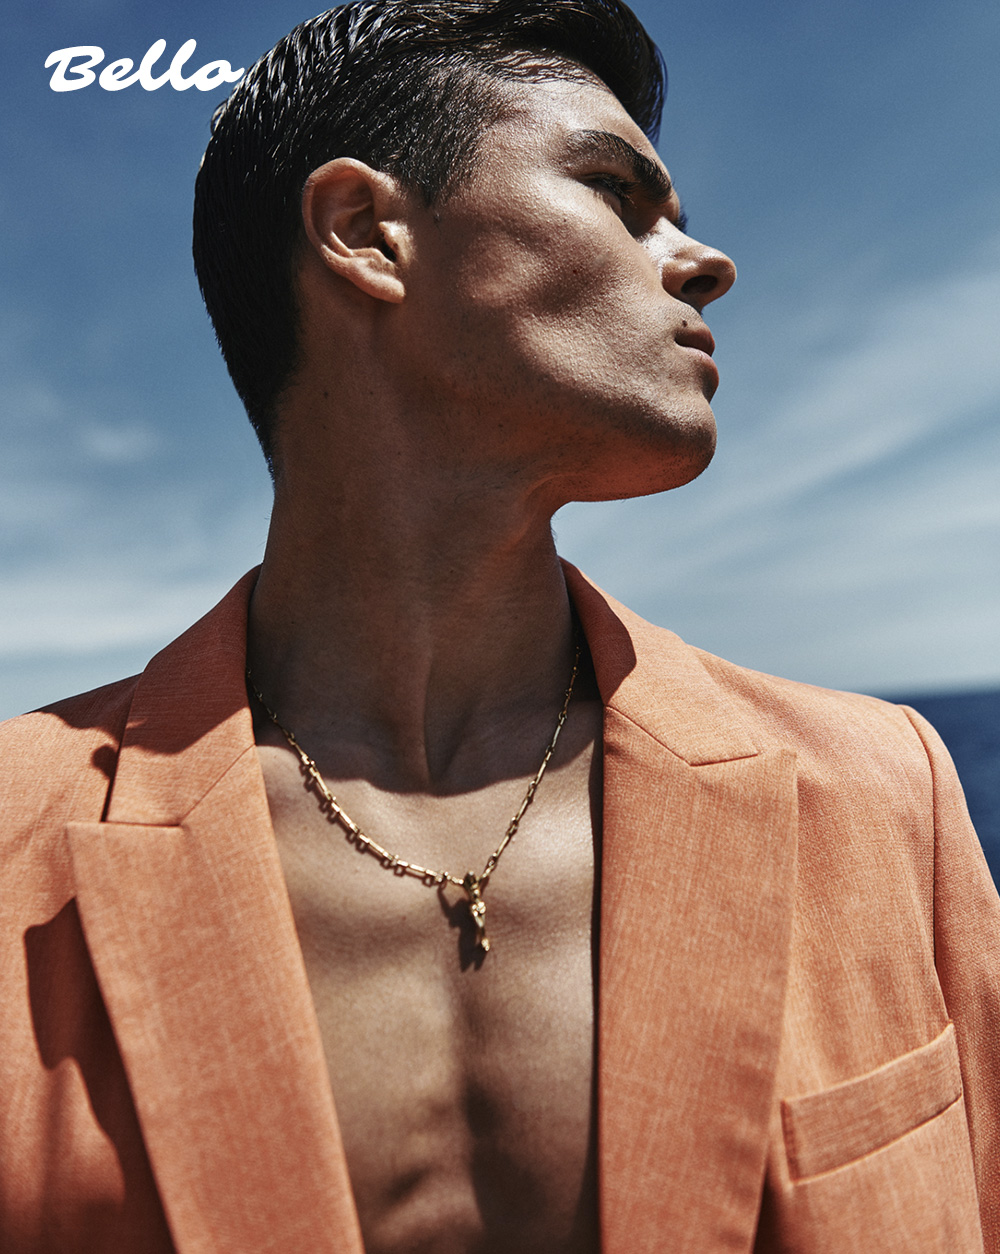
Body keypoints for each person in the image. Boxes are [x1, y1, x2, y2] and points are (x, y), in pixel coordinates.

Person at [2, 1, 998, 1250]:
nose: (704, 261)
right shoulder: (12, 843)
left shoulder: (881, 793)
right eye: (617, 194)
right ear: (367, 233)